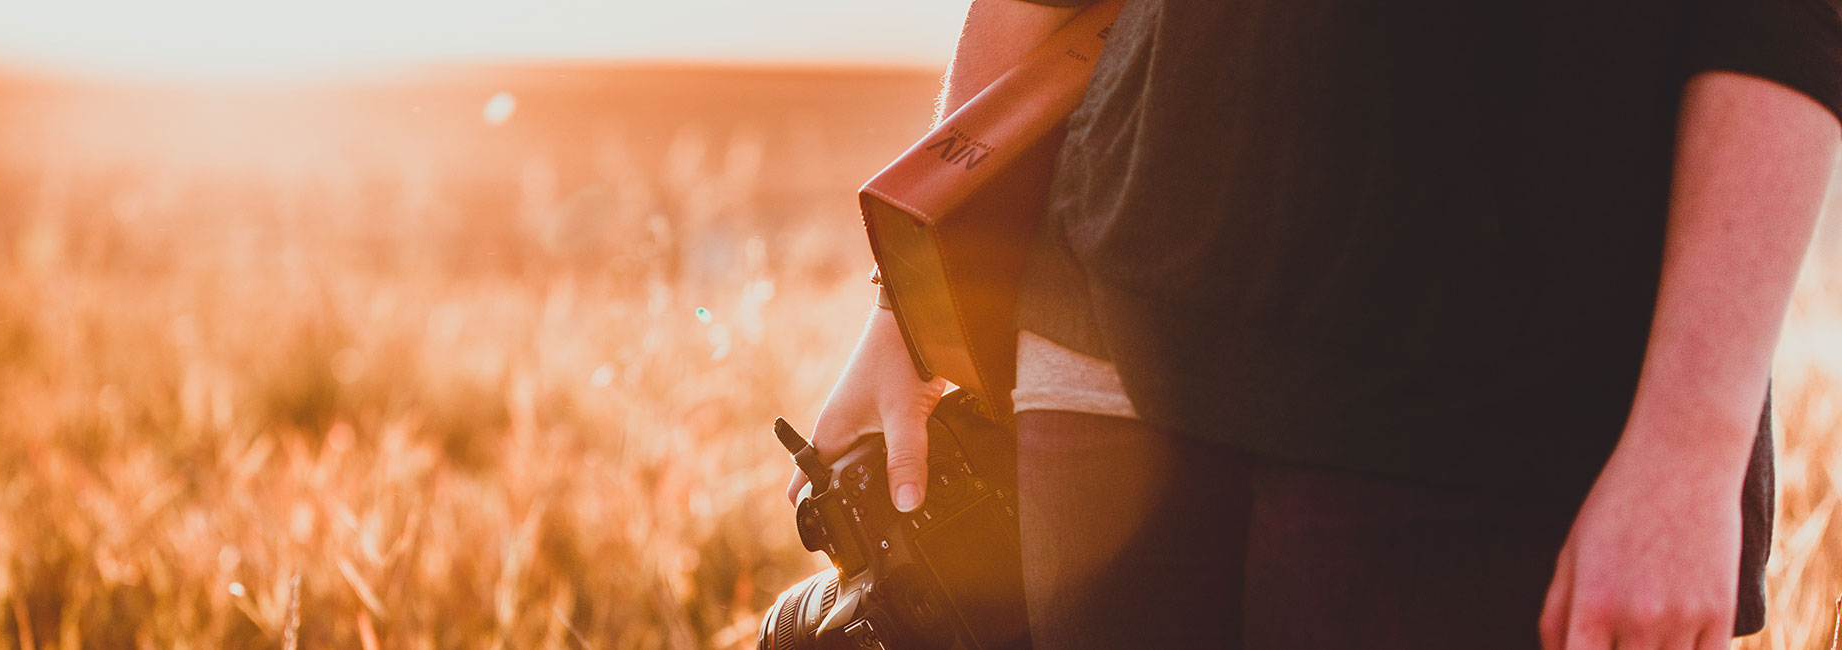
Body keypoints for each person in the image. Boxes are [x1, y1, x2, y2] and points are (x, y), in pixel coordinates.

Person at [788, 0, 1842, 647]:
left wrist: (1689, 448)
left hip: (1497, 389)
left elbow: (1780, 17)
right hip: (1107, 339)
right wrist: (911, 305)